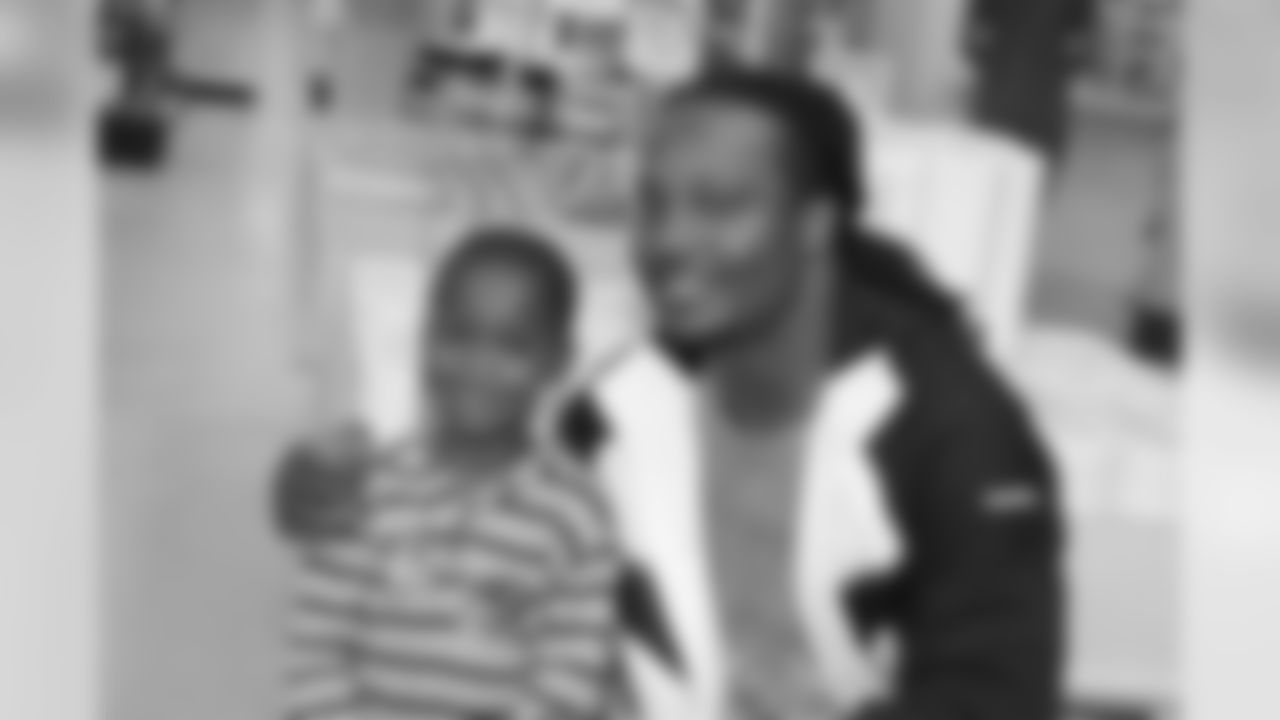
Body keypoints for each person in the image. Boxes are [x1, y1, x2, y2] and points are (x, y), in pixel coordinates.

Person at [276, 69, 1065, 720]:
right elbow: (478, 490)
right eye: (652, 204)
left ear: (815, 223)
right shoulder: (624, 410)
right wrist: (312, 487)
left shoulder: (955, 432)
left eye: (719, 206)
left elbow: (994, 698)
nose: (669, 239)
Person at [281, 228, 622, 720]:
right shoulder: (364, 489)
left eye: (512, 346)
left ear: (558, 360)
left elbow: (569, 680)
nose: (477, 366)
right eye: (457, 335)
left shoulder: (577, 516)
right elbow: (315, 652)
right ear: (425, 337)